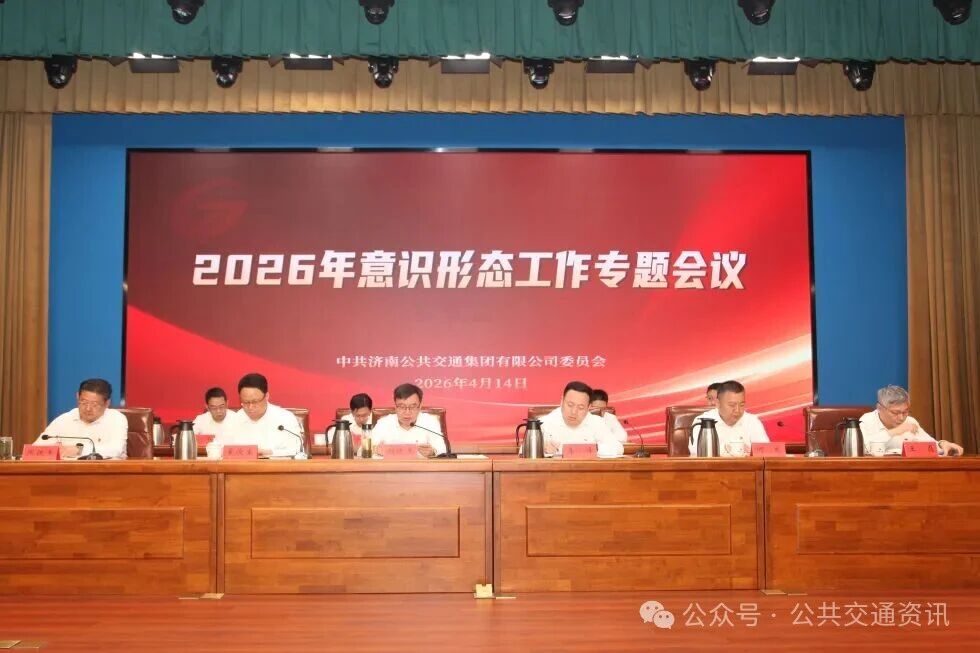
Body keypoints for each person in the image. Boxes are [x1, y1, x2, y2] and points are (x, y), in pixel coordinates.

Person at [34, 378, 129, 459]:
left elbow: (116, 449)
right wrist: (54, 450)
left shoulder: (116, 419)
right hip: (67, 471)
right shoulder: (64, 419)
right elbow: (37, 448)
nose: (88, 408)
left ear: (107, 403)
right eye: (84, 402)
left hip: (105, 472)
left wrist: (78, 450)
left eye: (94, 404)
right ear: (77, 397)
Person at [213, 373, 303, 456]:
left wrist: (270, 452)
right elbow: (219, 449)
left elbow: (296, 449)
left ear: (266, 396)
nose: (250, 407)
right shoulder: (233, 420)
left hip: (275, 467)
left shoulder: (285, 418)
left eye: (255, 401)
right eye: (245, 402)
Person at [859, 385, 963, 456]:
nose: (901, 418)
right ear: (879, 408)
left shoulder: (910, 421)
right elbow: (864, 449)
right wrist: (895, 431)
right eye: (895, 413)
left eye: (905, 412)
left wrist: (942, 444)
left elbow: (928, 444)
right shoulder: (867, 420)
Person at [540, 381, 624, 457]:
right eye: (570, 405)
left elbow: (618, 448)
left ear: (589, 407)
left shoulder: (596, 422)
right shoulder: (544, 423)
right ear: (562, 401)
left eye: (580, 407)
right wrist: (541, 449)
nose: (574, 412)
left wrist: (594, 448)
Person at [689, 380, 769, 457]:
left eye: (741, 405)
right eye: (732, 405)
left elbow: (765, 453)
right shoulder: (703, 421)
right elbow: (696, 453)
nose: (737, 410)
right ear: (718, 403)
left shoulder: (752, 421)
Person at [372, 383, 447, 457]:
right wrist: (375, 449)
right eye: (402, 407)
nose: (407, 412)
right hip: (390, 465)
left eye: (412, 407)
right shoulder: (384, 423)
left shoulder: (430, 421)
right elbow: (366, 448)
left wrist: (433, 452)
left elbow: (442, 450)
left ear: (420, 406)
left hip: (421, 465)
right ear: (395, 406)